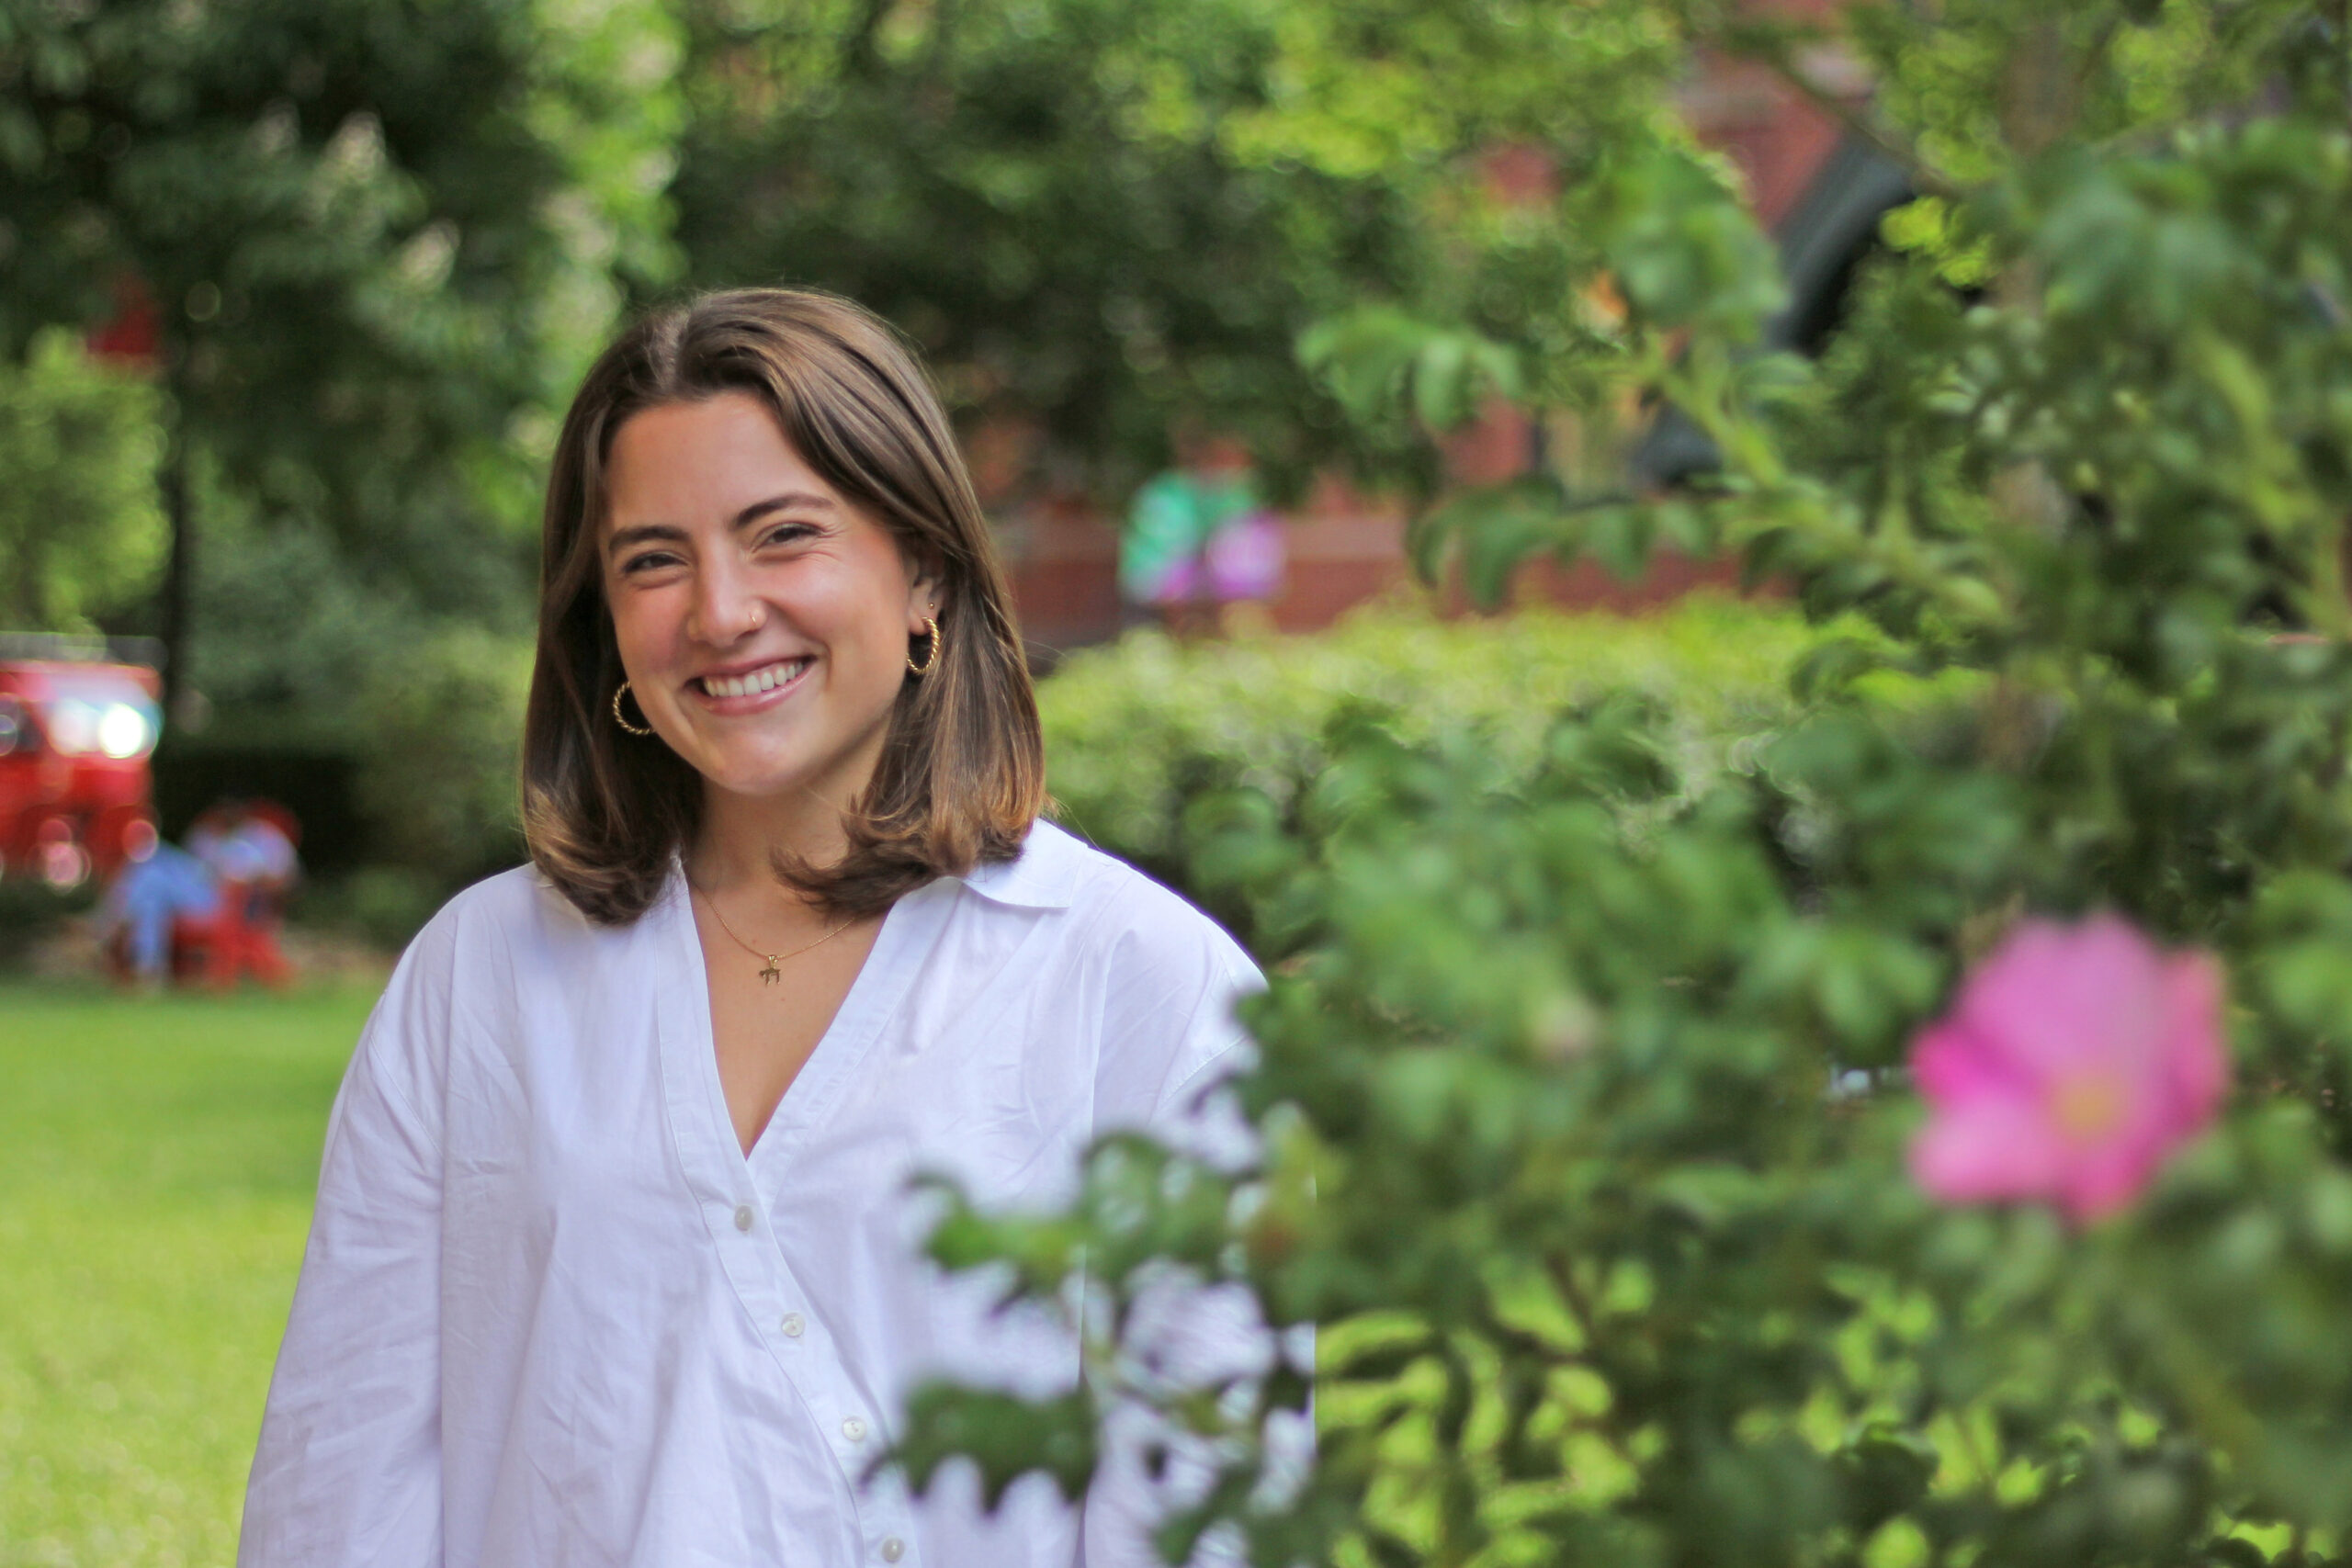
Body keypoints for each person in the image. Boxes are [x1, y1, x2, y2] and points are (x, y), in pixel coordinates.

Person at [238, 289, 1292, 1565]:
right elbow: (342, 1481)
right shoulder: (479, 980)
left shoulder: (1148, 990)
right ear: (605, 622)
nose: (720, 611)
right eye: (653, 559)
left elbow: (1213, 1515)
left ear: (924, 575)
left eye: (782, 536)